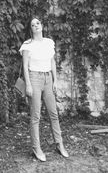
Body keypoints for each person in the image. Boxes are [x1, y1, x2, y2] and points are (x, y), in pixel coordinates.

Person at [19, 16, 69, 162]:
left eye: (38, 23)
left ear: (42, 25)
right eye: (33, 25)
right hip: (34, 79)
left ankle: (59, 144)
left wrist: (55, 80)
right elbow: (25, 66)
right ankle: (36, 148)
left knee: (53, 113)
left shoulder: (49, 42)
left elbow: (52, 61)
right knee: (36, 116)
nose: (36, 26)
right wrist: (28, 84)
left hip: (48, 79)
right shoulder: (27, 45)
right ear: (31, 29)